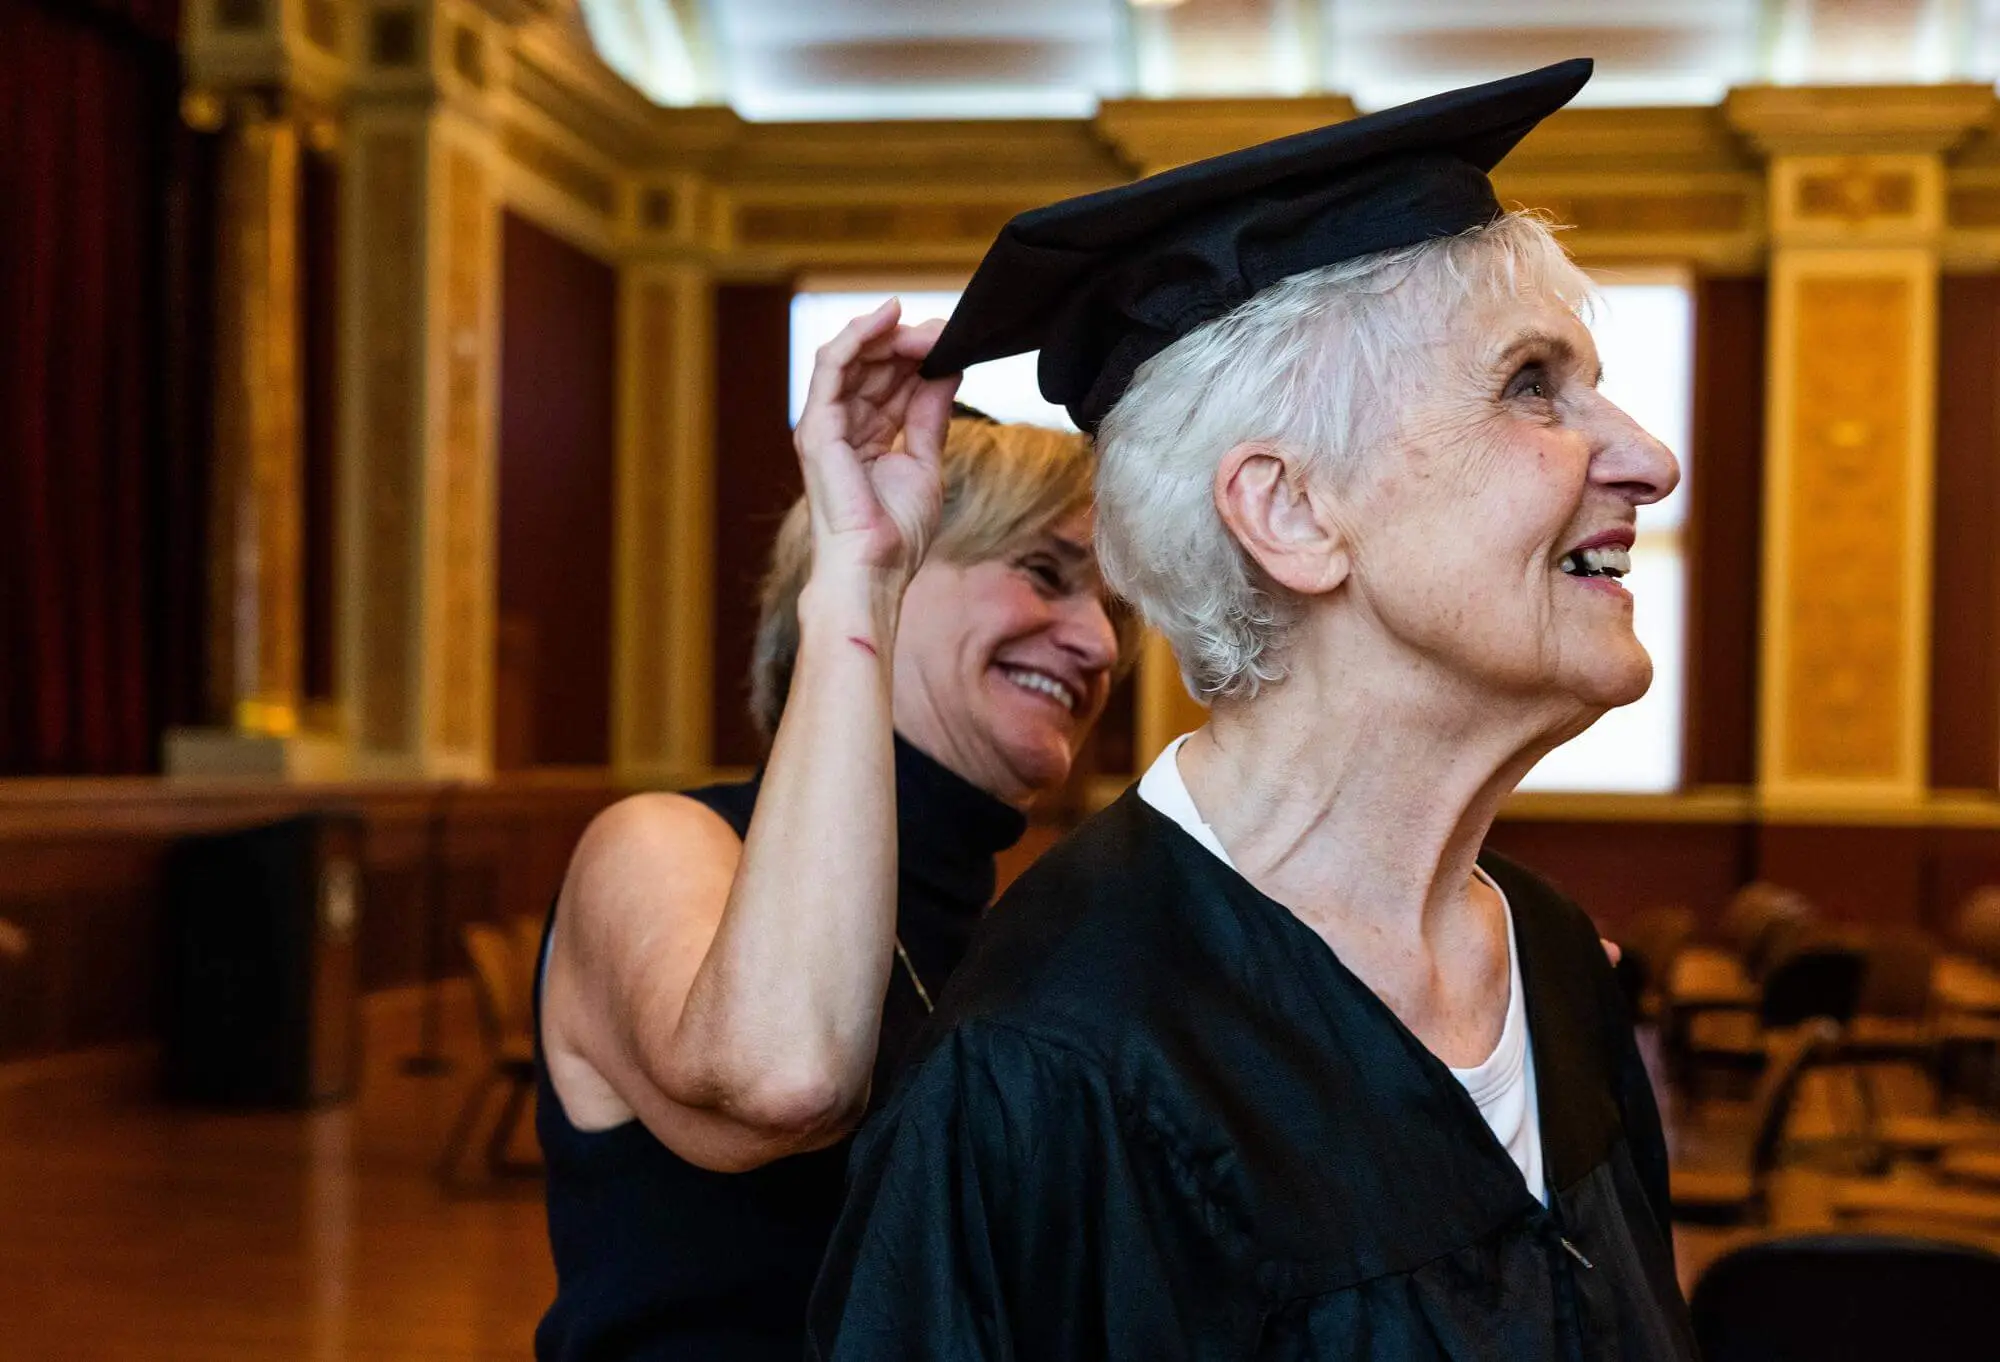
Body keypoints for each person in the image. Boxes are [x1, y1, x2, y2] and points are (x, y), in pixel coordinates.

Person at [809, 60, 1697, 1360]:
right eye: (1529, 384)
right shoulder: (1052, 1063)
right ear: (1288, 509)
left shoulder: (1556, 963)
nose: (1648, 459)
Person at [533, 300, 1133, 1361]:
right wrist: (858, 569)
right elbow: (782, 1079)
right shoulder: (660, 843)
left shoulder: (1006, 924)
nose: (1098, 643)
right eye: (1043, 572)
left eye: (1114, 607)